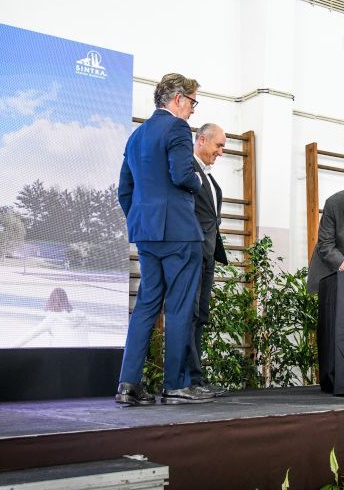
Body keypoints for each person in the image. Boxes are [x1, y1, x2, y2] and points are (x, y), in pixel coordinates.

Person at [116, 73, 214, 406]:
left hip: (146, 234)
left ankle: (128, 385)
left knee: (146, 306)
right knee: (179, 308)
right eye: (192, 102)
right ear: (178, 99)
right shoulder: (177, 128)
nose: (192, 110)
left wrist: (141, 221)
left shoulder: (136, 136)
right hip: (179, 233)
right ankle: (176, 385)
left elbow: (124, 190)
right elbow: (182, 175)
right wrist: (199, 183)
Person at [185, 123, 229, 396]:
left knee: (200, 316)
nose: (221, 152)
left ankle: (197, 379)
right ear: (201, 140)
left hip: (208, 255)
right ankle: (188, 379)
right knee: (188, 317)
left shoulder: (208, 176)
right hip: (191, 255)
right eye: (218, 145)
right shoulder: (187, 169)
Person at [18, 288, 88, 347]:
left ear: (51, 301)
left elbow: (28, 337)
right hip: (84, 356)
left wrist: (11, 351)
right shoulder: (82, 316)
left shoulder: (52, 319)